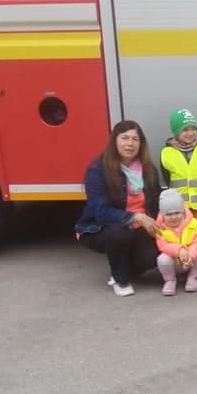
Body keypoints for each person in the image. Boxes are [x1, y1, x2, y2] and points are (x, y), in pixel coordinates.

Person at [76, 120, 161, 297]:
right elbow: (100, 212)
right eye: (124, 138)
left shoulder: (147, 169)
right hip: (100, 227)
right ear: (114, 140)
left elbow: (157, 201)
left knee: (156, 253)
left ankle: (125, 268)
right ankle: (120, 279)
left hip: (139, 227)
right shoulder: (98, 170)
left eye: (135, 139)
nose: (130, 143)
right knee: (120, 233)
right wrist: (137, 217)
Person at [160, 108, 197, 282]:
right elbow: (167, 178)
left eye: (193, 128)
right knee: (181, 234)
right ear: (176, 132)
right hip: (180, 206)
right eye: (185, 129)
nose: (190, 133)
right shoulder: (166, 152)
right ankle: (182, 262)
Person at [154, 189, 197, 296]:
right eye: (169, 214)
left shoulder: (193, 223)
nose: (173, 217)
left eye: (177, 213)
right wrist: (179, 251)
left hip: (190, 260)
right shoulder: (159, 227)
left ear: (183, 211)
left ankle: (193, 277)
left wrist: (190, 256)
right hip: (173, 261)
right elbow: (163, 246)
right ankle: (170, 280)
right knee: (162, 259)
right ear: (162, 215)